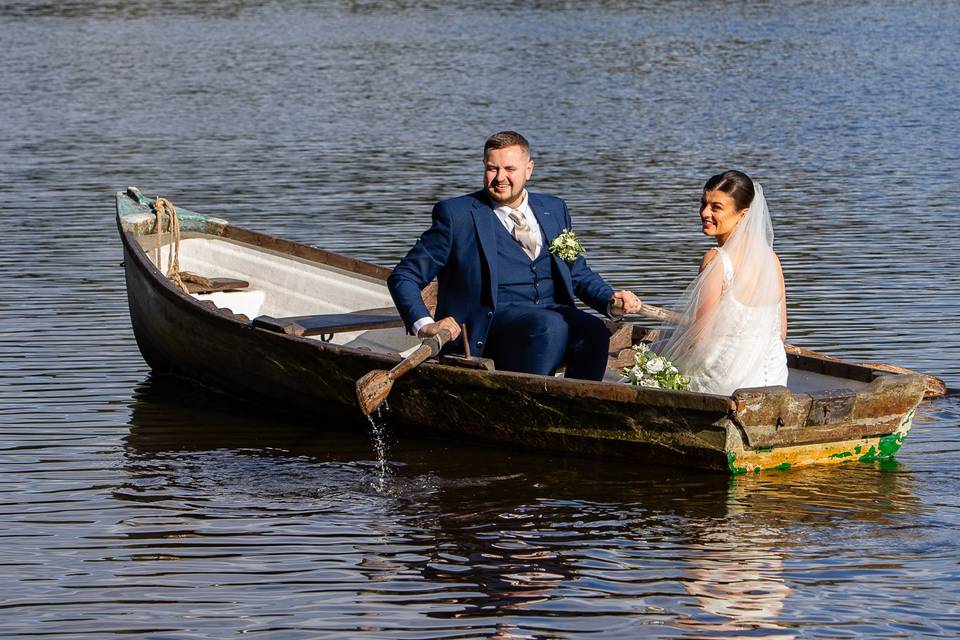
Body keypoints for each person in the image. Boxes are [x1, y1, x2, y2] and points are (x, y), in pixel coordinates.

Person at [388, 131, 642, 381]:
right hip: (488, 328)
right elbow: (404, 276)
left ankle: (580, 406)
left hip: (550, 318)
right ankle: (528, 405)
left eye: (510, 169)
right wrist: (425, 324)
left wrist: (610, 300)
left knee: (595, 331)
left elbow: (576, 273)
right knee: (549, 327)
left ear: (528, 170)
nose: (500, 178)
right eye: (492, 168)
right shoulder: (457, 215)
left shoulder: (553, 209)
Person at [655, 170, 788, 394]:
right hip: (775, 379)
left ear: (744, 214)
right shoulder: (771, 258)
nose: (705, 213)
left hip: (725, 384)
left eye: (716, 207)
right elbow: (780, 332)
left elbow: (699, 339)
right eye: (703, 204)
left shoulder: (717, 260)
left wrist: (663, 360)